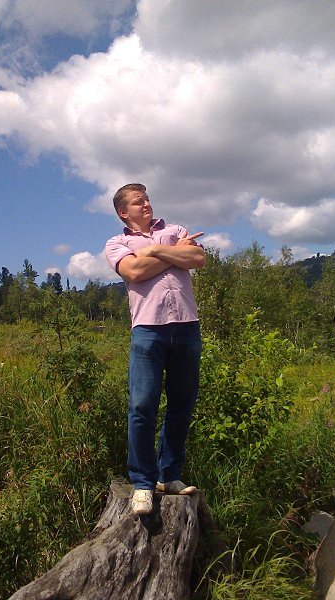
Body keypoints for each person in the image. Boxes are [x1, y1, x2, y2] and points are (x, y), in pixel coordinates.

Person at [105, 183, 206, 515]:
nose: (146, 204)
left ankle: (169, 475)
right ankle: (143, 483)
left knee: (181, 404)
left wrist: (153, 252)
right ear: (123, 212)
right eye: (138, 201)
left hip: (187, 326)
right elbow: (133, 271)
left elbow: (198, 258)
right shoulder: (117, 243)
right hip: (148, 329)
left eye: (147, 199)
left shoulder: (173, 229)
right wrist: (173, 253)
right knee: (142, 406)